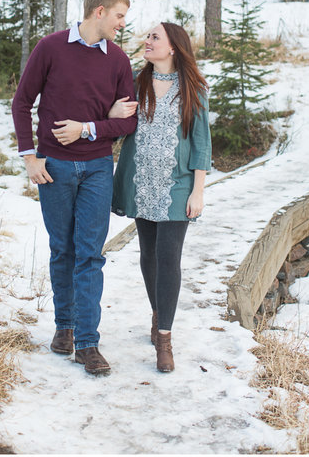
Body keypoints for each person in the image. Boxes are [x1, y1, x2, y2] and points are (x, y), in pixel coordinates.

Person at [11, 0, 138, 376]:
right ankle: (63, 327)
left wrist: (90, 128)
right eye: (119, 16)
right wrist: (29, 157)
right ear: (99, 12)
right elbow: (21, 102)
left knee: (90, 254)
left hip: (99, 167)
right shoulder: (50, 48)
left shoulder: (118, 60)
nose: (122, 24)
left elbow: (129, 120)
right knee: (62, 249)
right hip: (54, 169)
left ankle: (87, 342)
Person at [110, 22, 211, 373]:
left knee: (169, 257)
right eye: (148, 36)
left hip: (177, 186)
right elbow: (116, 123)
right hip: (140, 182)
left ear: (172, 47)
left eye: (155, 37)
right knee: (148, 256)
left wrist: (198, 190)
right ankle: (157, 313)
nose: (147, 41)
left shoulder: (192, 88)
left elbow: (201, 142)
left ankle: (164, 338)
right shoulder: (136, 83)